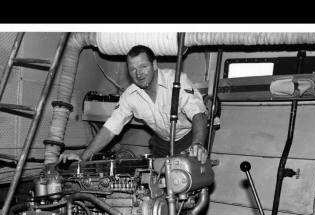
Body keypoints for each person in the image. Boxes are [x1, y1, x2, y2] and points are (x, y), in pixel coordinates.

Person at [58, 45, 209, 165]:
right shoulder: (129, 96)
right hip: (163, 142)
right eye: (133, 69)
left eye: (143, 66)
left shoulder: (177, 81)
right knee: (157, 184)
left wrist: (198, 144)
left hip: (189, 138)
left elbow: (198, 114)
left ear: (155, 64)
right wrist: (83, 157)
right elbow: (110, 128)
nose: (139, 74)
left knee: (189, 181)